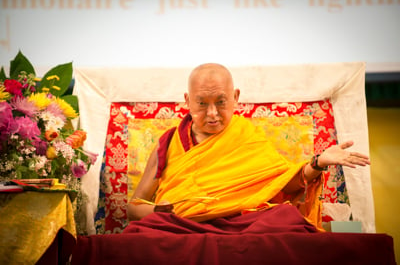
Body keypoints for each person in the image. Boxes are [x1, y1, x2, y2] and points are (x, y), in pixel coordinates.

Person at [126, 63, 370, 229]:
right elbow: (134, 208)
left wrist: (318, 163)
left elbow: (284, 182)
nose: (212, 114)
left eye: (221, 102)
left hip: (240, 225)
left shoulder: (247, 136)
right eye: (201, 104)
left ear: (236, 97)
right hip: (183, 227)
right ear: (187, 101)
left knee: (285, 218)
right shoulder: (169, 143)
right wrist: (167, 212)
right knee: (141, 239)